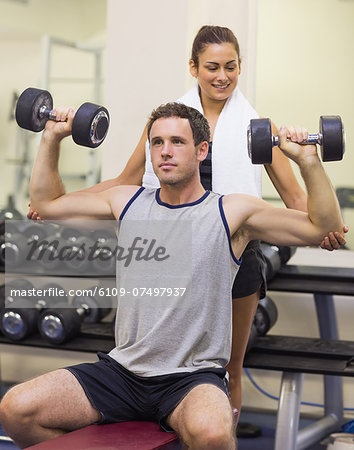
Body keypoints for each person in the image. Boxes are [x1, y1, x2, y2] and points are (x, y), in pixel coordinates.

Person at [27, 25, 348, 417]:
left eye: (231, 66)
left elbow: (295, 200)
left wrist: (324, 228)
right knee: (156, 356)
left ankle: (217, 432)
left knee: (229, 372)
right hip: (168, 242)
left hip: (233, 245)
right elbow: (126, 184)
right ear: (193, 67)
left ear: (240, 67)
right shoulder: (167, 124)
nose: (222, 76)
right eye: (212, 66)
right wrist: (61, 203)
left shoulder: (259, 128)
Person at [1, 102, 345, 449]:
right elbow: (45, 204)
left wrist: (308, 161)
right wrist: (52, 137)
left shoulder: (232, 212)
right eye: (157, 142)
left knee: (212, 434)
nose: (165, 151)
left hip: (191, 379)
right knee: (16, 409)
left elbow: (322, 229)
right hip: (122, 372)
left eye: (177, 142)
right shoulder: (126, 203)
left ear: (201, 150)